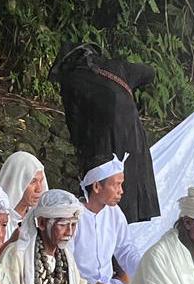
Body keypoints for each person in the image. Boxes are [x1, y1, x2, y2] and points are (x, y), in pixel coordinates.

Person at [51, 42, 159, 223]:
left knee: (102, 196)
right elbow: (150, 72)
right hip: (133, 140)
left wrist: (81, 154)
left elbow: (75, 124)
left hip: (101, 145)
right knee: (128, 189)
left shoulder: (72, 80)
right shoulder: (118, 67)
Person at [0, 189, 107, 284]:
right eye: (62, 225)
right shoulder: (16, 256)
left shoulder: (65, 257)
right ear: (42, 223)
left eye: (73, 225)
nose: (69, 232)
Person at [73, 154, 143, 284]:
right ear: (97, 187)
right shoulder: (73, 216)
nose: (121, 191)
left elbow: (125, 249)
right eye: (116, 185)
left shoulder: (114, 212)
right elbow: (66, 262)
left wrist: (144, 271)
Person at [0, 151, 47, 243]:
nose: (39, 189)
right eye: (33, 181)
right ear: (16, 181)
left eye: (41, 181)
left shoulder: (38, 220)